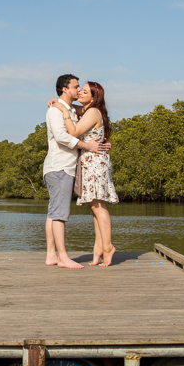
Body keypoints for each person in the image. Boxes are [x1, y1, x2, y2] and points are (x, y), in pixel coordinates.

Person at [44, 74, 109, 269]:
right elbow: (63, 137)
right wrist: (87, 146)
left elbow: (92, 119)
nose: (78, 90)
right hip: (60, 166)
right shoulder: (56, 111)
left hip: (64, 167)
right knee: (60, 213)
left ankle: (51, 255)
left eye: (81, 88)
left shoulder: (70, 109)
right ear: (65, 89)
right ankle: (63, 257)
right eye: (76, 87)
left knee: (54, 212)